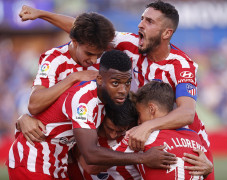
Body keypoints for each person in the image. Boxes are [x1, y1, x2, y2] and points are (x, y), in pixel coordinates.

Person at [19, 1, 214, 179]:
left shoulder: (181, 65)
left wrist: (146, 127)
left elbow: (187, 113)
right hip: (135, 129)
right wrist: (41, 14)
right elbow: (86, 33)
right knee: (93, 165)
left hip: (175, 138)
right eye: (141, 19)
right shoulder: (130, 44)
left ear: (166, 33)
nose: (140, 25)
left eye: (149, 21)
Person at [7, 50, 176, 179]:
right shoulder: (85, 98)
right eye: (116, 83)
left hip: (55, 164)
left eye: (127, 83)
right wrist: (144, 158)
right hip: (33, 161)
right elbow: (90, 155)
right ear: (100, 79)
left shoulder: (113, 105)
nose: (123, 90)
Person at [16, 11, 115, 145]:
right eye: (89, 53)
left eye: (98, 55)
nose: (93, 60)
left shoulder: (104, 58)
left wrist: (39, 13)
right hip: (48, 144)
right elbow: (33, 105)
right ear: (74, 41)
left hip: (78, 144)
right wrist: (73, 78)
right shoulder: (54, 59)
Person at [113, 81, 213, 179]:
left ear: (152, 109)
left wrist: (143, 158)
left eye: (139, 114)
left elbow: (100, 164)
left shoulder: (142, 136)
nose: (138, 121)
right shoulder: (194, 137)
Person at [68, 99, 141, 180]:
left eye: (120, 131)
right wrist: (140, 157)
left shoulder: (135, 135)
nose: (113, 135)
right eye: (109, 128)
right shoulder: (85, 134)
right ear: (102, 118)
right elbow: (90, 167)